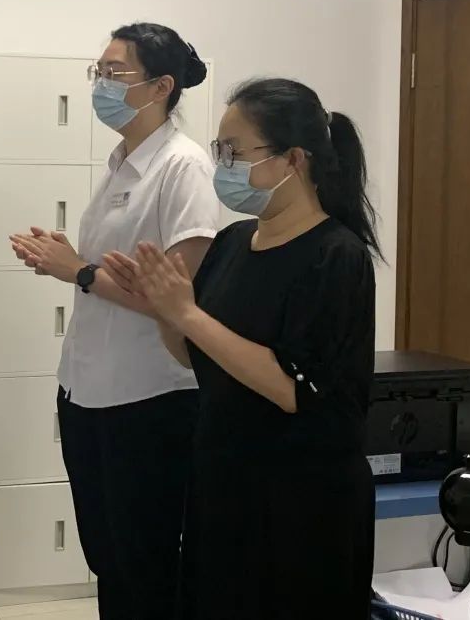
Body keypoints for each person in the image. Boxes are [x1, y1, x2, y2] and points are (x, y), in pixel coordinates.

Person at [103, 78, 378, 619]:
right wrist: (165, 310)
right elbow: (197, 357)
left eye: (234, 152)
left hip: (300, 502)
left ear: (293, 159)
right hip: (224, 484)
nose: (222, 165)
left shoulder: (335, 257)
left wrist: (188, 315)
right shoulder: (233, 243)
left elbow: (296, 389)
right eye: (219, 150)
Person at [10, 23, 219, 619]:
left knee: (145, 564)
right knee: (108, 558)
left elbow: (179, 300)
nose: (100, 83)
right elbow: (115, 274)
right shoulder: (122, 164)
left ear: (161, 86)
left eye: (114, 72)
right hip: (88, 391)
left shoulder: (183, 167)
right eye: (97, 71)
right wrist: (72, 261)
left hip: (150, 397)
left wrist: (77, 270)